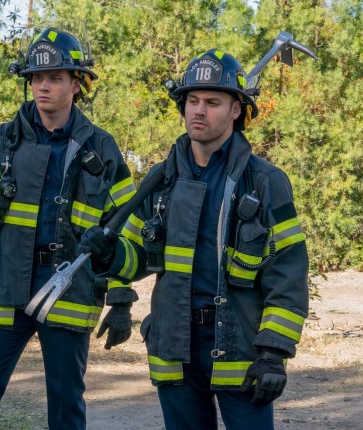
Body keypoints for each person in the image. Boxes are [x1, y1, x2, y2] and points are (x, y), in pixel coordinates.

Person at [0, 26, 137, 430]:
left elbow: (124, 225)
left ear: (76, 84)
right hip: (5, 285)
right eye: (36, 78)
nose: (43, 86)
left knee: (66, 402)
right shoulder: (3, 140)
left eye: (54, 77)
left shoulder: (102, 148)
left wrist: (121, 297)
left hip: (70, 289)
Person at [79, 49, 309, 429]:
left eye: (212, 102)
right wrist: (110, 256)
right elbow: (136, 256)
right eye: (193, 101)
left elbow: (288, 273)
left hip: (241, 350)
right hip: (176, 347)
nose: (199, 111)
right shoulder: (161, 179)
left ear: (236, 110)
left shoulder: (265, 182)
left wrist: (273, 351)